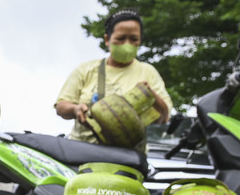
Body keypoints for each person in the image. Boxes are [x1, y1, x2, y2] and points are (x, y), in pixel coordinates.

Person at [54, 9, 172, 145]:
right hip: (82, 153)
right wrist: (75, 109)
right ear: (107, 39)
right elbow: (61, 106)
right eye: (121, 38)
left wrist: (150, 95)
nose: (127, 44)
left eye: (134, 39)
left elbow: (164, 117)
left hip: (128, 157)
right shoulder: (86, 69)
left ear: (140, 41)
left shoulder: (148, 72)